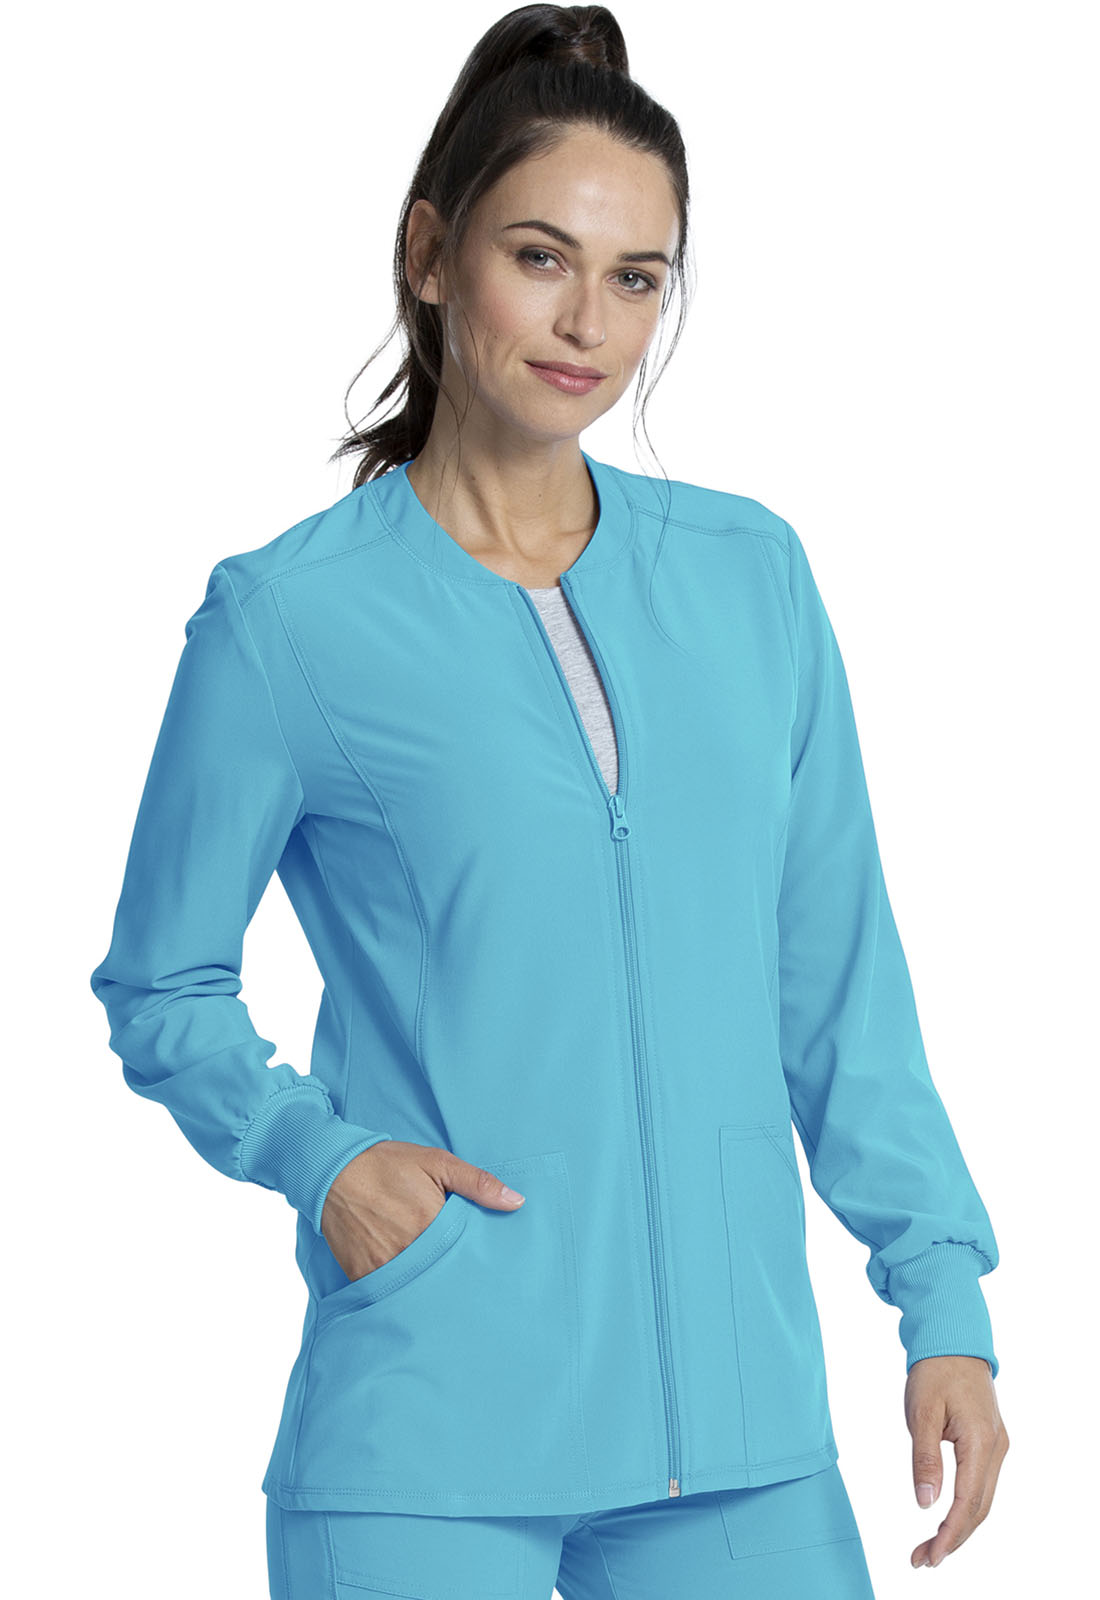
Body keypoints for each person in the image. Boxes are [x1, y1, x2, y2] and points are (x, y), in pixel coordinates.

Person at [88, 6, 1009, 1596]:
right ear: (430, 255)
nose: (590, 321)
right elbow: (162, 983)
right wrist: (318, 1157)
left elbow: (839, 988)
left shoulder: (750, 579)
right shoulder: (288, 623)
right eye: (540, 258)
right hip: (431, 1436)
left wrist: (944, 1302)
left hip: (744, 1435)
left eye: (638, 277)